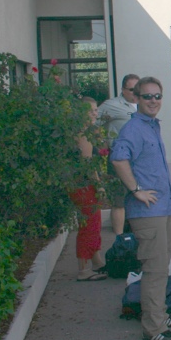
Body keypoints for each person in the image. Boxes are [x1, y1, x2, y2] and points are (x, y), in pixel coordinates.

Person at [110, 76, 171, 340]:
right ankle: (154, 329)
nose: (153, 101)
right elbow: (119, 159)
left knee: (161, 268)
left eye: (157, 96)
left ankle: (160, 315)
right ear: (137, 99)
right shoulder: (134, 129)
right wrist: (136, 190)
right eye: (147, 96)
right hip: (147, 212)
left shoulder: (151, 126)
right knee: (154, 270)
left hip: (161, 208)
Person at [97, 73, 139, 241]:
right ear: (123, 89)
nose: (135, 93)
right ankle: (119, 240)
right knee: (119, 199)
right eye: (131, 90)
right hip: (120, 159)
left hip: (140, 160)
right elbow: (90, 121)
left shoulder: (145, 103)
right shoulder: (112, 105)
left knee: (138, 196)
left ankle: (137, 234)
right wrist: (102, 142)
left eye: (138, 89)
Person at [72, 97, 107, 281]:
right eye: (90, 110)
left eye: (95, 110)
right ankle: (84, 270)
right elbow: (88, 165)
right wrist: (99, 184)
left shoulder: (85, 131)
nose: (95, 113)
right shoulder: (83, 135)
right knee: (89, 226)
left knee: (94, 224)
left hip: (81, 185)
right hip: (84, 186)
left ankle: (97, 261)